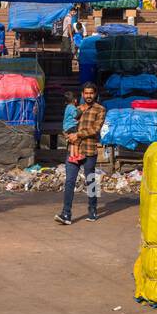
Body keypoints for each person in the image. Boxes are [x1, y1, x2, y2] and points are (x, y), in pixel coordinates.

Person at [56, 82, 105, 225]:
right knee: (70, 181)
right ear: (83, 94)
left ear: (95, 94)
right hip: (73, 150)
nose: (89, 95)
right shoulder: (75, 109)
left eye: (91, 93)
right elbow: (66, 125)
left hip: (89, 150)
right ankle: (66, 214)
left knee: (90, 180)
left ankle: (93, 210)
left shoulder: (100, 109)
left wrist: (78, 135)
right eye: (86, 93)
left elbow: (95, 129)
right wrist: (68, 135)